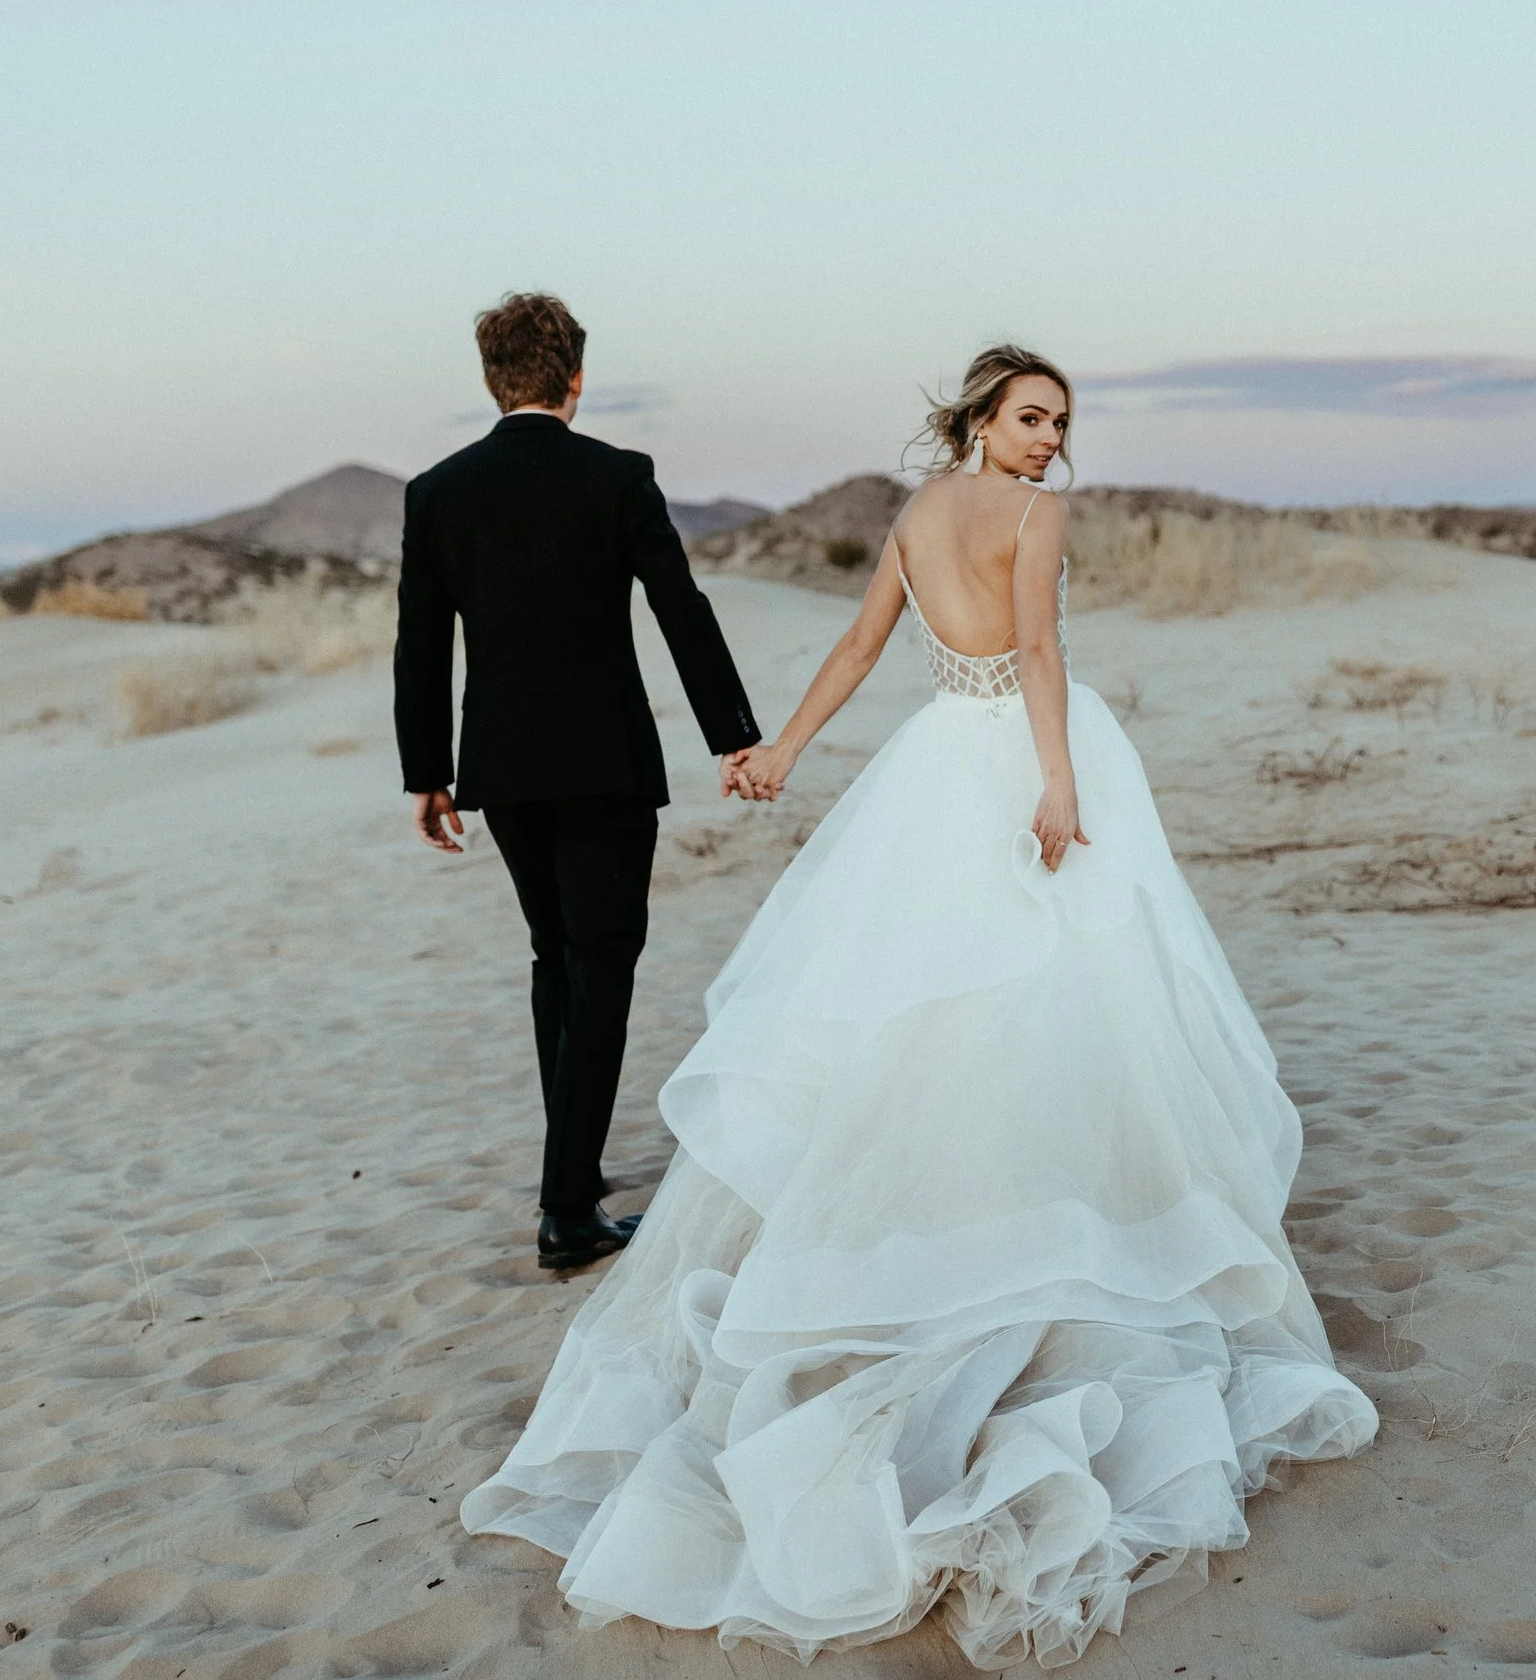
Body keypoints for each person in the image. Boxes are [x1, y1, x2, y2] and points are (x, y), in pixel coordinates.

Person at [459, 345, 1376, 1669]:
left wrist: (785, 749)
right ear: (980, 420)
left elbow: (859, 644)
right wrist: (1058, 787)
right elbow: (1042, 649)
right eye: (1030, 416)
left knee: (941, 1003)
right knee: (1051, 994)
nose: (1051, 440)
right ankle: (1024, 1217)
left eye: (1061, 422)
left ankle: (975, 1201)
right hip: (1009, 759)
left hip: (930, 761)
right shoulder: (1034, 515)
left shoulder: (916, 513)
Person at [394, 292, 762, 1271]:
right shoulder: (617, 477)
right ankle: (566, 1209)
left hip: (502, 769)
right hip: (604, 762)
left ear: (490, 379)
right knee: (601, 962)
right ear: (577, 378)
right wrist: (732, 733)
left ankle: (576, 1168)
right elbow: (680, 606)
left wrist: (425, 773)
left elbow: (420, 645)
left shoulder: (438, 491)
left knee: (553, 955)